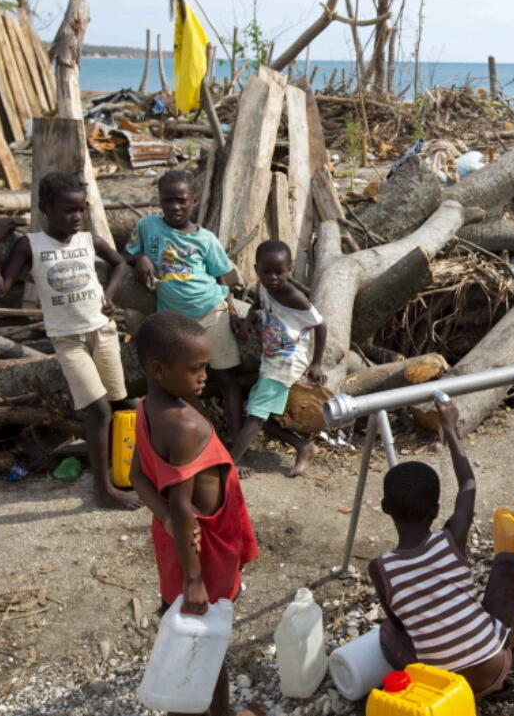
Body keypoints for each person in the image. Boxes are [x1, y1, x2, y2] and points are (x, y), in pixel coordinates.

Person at [129, 310, 260, 716]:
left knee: (191, 630)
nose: (205, 375)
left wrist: (166, 519)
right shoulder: (185, 425)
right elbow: (184, 506)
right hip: (204, 552)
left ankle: (194, 706)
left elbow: (137, 477)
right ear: (157, 368)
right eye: (196, 368)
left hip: (177, 540)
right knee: (208, 639)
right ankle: (209, 710)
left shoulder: (145, 408)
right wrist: (194, 579)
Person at [0, 172, 136, 510]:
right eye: (69, 210)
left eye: (81, 209)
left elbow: (119, 263)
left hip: (102, 331)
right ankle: (103, 489)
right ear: (45, 209)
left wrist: (109, 296)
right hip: (68, 340)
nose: (77, 217)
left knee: (120, 402)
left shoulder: (89, 240)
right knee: (97, 410)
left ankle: (135, 467)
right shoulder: (31, 245)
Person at [369, 397, 514, 700]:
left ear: (385, 508)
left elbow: (400, 625)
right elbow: (468, 483)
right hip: (493, 668)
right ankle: (502, 667)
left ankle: (436, 686)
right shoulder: (452, 538)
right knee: (509, 564)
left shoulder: (380, 569)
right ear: (437, 509)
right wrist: (450, 429)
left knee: (387, 632)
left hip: (443, 689)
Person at [124, 170, 247, 440]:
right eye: (167, 201)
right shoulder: (148, 226)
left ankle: (238, 443)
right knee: (180, 382)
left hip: (211, 311)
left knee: (227, 377)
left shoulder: (206, 240)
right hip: (175, 322)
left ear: (194, 200)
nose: (174, 207)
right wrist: (141, 257)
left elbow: (222, 277)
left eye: (181, 200)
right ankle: (208, 435)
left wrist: (232, 309)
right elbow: (126, 254)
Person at [231, 240, 326, 478]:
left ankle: (229, 463)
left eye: (279, 272)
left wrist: (316, 363)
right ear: (256, 269)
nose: (272, 277)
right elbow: (256, 306)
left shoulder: (294, 297)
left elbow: (320, 325)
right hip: (271, 359)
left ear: (289, 270)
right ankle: (303, 446)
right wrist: (248, 322)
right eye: (266, 272)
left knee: (255, 415)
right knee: (256, 413)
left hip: (287, 361)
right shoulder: (263, 287)